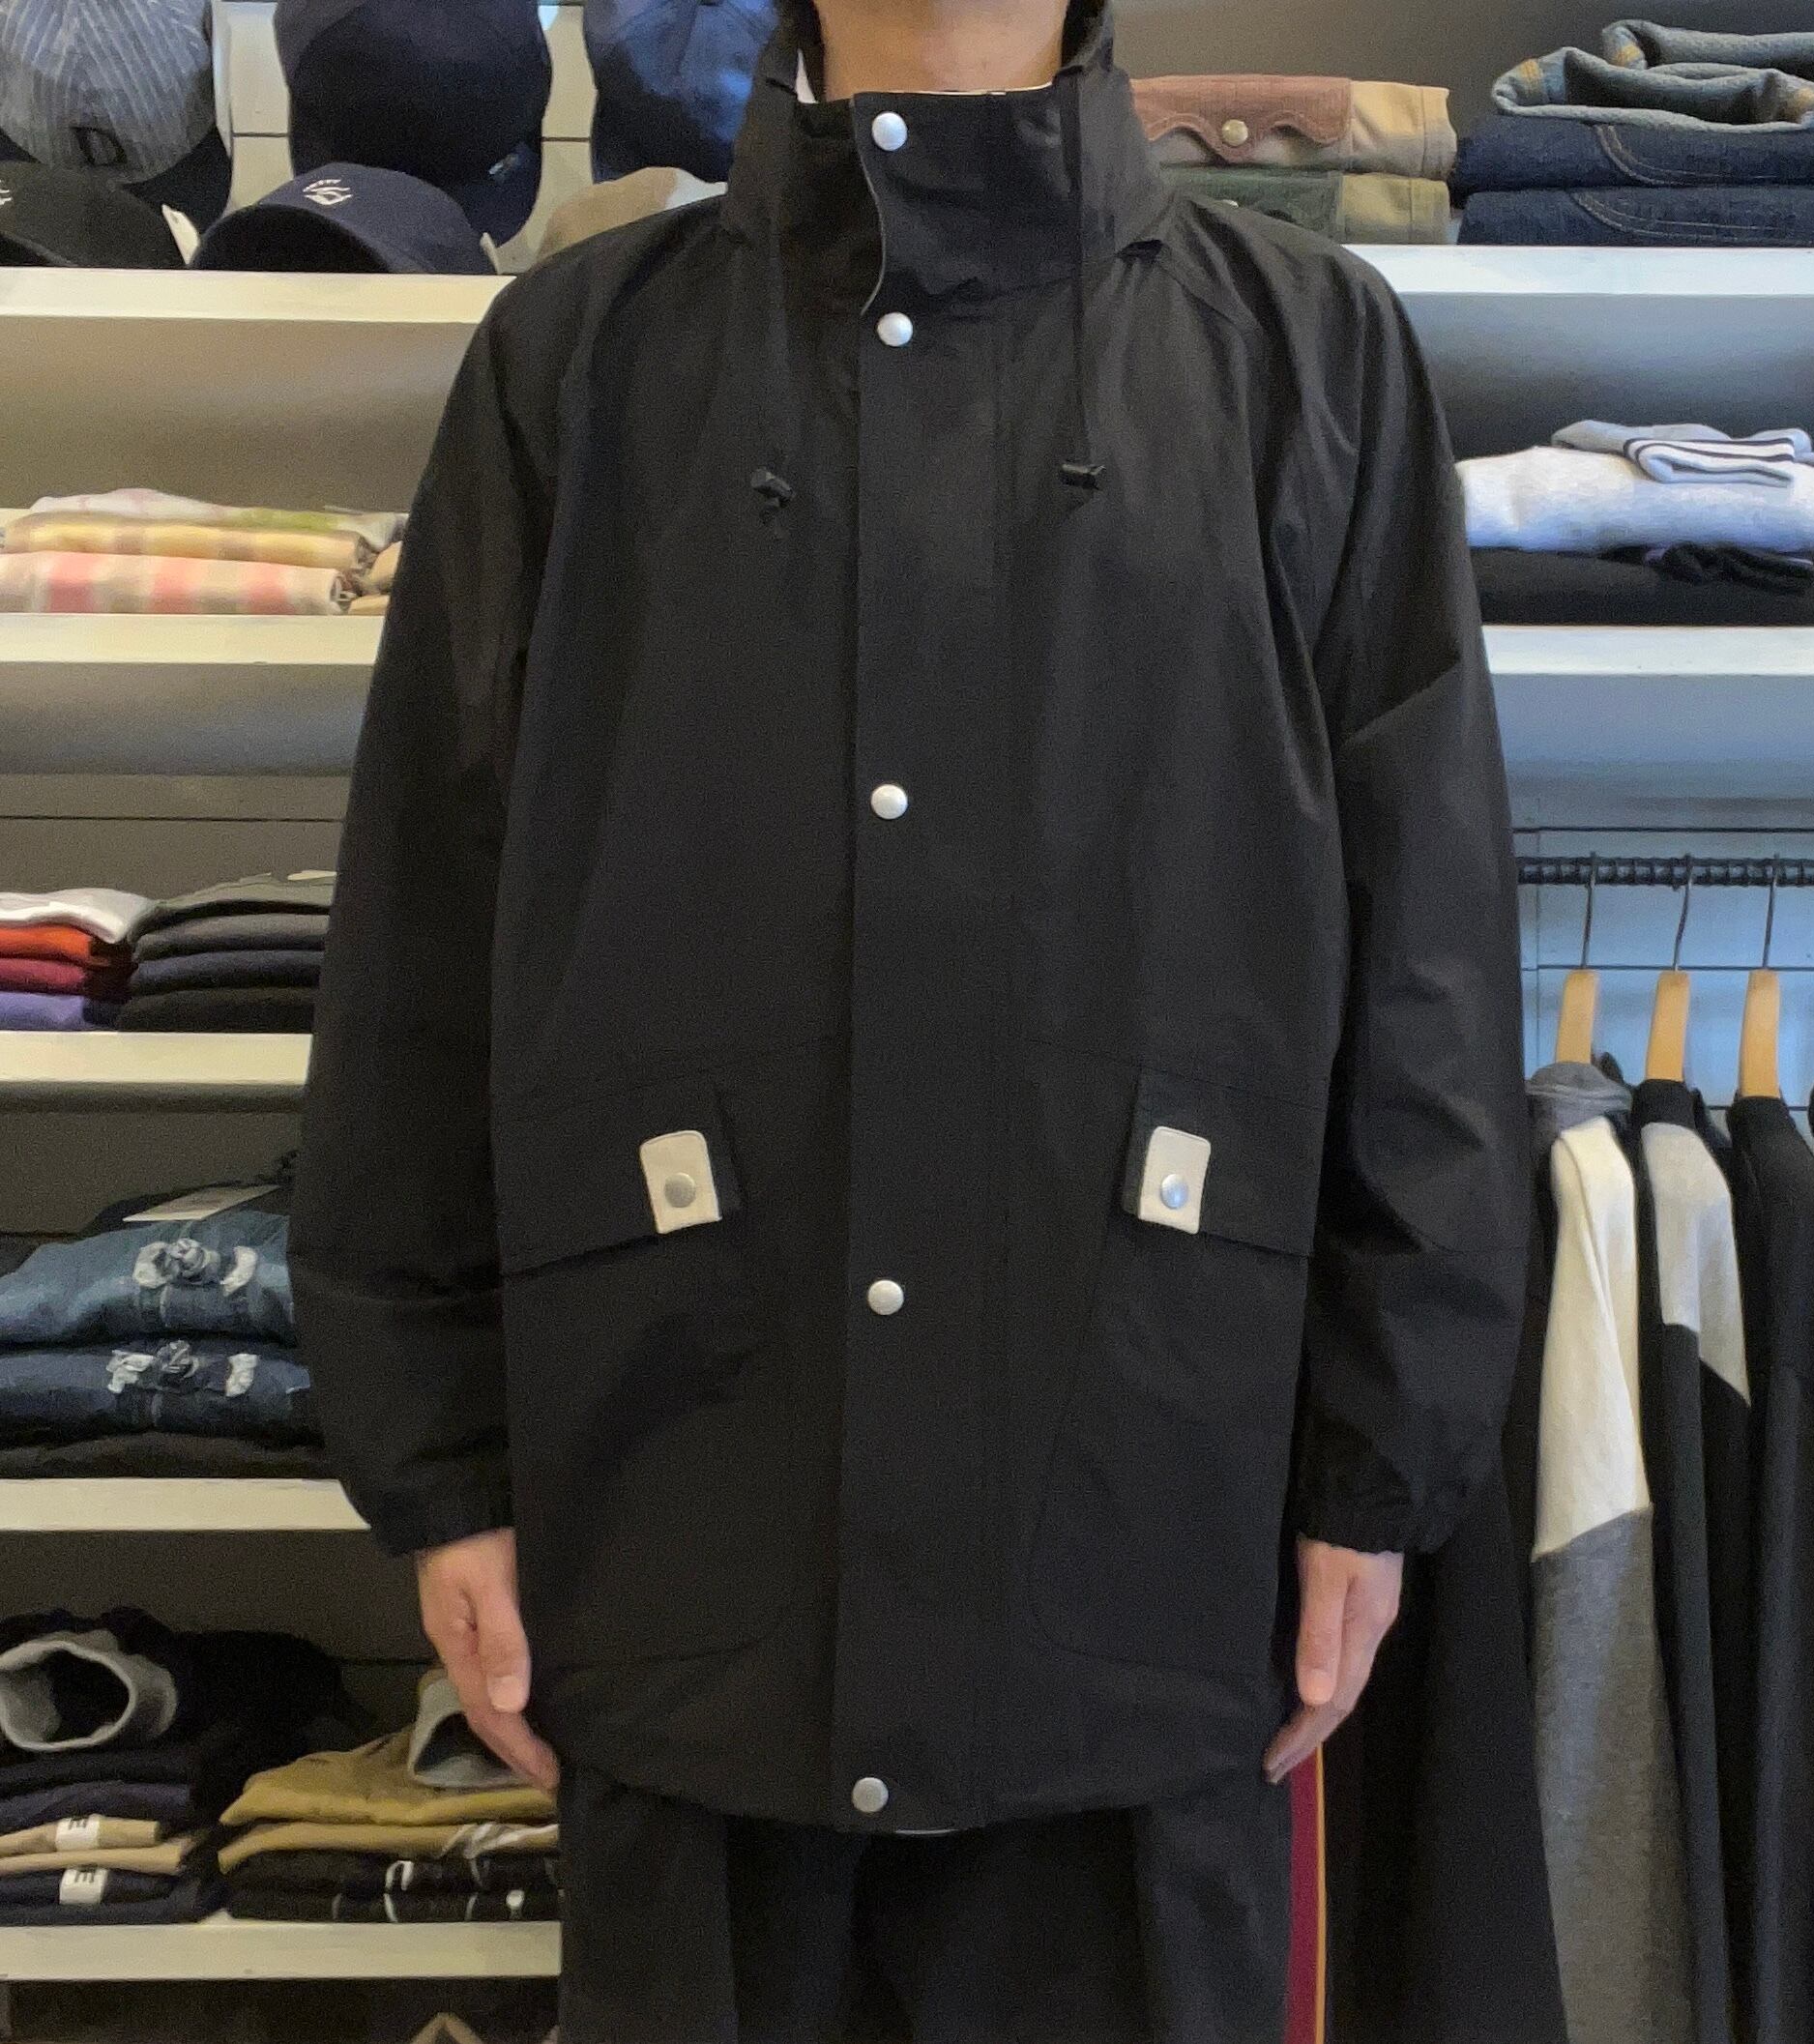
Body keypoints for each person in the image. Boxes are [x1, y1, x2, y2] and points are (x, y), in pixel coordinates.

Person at [291, 0, 1530, 2034]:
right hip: (691, 1527)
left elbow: (1431, 966)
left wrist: (1376, 1460)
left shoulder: (1308, 359)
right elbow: (422, 940)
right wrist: (441, 1462)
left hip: (1147, 1534)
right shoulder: (576, 367)